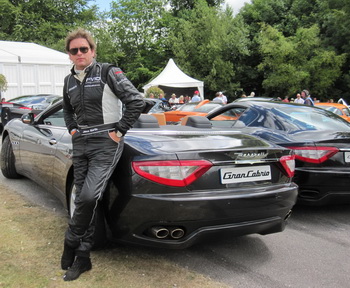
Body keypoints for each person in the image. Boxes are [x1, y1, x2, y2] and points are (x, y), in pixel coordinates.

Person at [61, 28, 144, 281]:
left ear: (93, 51)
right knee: (87, 201)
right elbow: (66, 110)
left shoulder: (109, 72)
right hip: (81, 143)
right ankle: (83, 258)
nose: (79, 53)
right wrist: (73, 130)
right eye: (74, 50)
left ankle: (70, 240)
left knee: (86, 197)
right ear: (69, 55)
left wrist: (119, 132)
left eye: (83, 49)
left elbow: (136, 101)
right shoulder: (68, 80)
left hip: (106, 143)